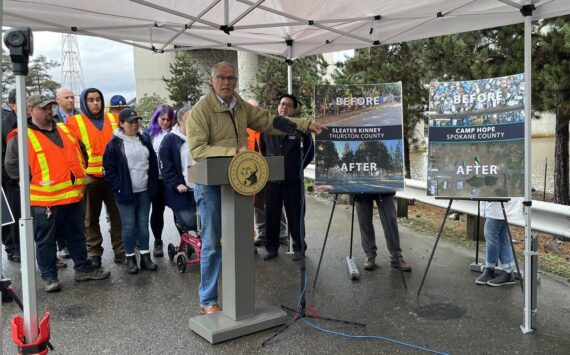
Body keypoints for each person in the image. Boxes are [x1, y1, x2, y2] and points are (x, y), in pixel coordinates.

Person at [187, 61, 325, 315]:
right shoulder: (200, 111)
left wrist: (304, 125)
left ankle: (240, 299)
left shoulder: (240, 106)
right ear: (211, 81)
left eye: (231, 78)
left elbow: (269, 121)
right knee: (211, 243)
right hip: (212, 185)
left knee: (240, 241)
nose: (227, 82)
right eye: (221, 78)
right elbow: (197, 150)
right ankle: (208, 300)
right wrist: (234, 152)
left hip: (237, 183)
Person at [4, 95, 110, 292]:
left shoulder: (64, 128)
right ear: (30, 111)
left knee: (77, 236)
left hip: (72, 195)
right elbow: (11, 166)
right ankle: (49, 276)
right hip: (46, 200)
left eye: (50, 107)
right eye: (43, 108)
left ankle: (83, 268)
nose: (48, 112)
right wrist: (31, 181)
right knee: (46, 240)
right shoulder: (21, 136)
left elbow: (82, 153)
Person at [66, 88, 125, 268]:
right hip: (90, 178)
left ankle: (120, 250)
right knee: (90, 218)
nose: (95, 103)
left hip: (112, 176)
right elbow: (71, 149)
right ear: (84, 102)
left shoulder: (114, 119)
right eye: (91, 100)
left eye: (98, 99)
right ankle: (94, 253)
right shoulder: (74, 121)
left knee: (117, 215)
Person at [103, 108, 159, 274]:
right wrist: (118, 187)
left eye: (136, 121)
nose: (135, 125)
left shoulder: (144, 140)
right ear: (121, 124)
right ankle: (130, 258)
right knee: (128, 226)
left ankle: (145, 257)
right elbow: (109, 170)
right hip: (125, 191)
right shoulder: (114, 144)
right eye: (130, 122)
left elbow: (153, 163)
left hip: (144, 190)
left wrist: (153, 184)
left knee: (143, 224)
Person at [262, 94, 314, 261]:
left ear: (294, 110)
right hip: (272, 181)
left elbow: (310, 151)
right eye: (282, 104)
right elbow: (262, 149)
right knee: (271, 215)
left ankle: (299, 247)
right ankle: (271, 248)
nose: (284, 107)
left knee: (295, 216)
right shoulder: (268, 127)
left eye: (288, 105)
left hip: (293, 182)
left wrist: (298, 167)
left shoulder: (300, 130)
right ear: (278, 106)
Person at [246, 98, 288, 248]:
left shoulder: (265, 126)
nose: (253, 112)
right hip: (250, 172)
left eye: (256, 109)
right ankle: (263, 234)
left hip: (268, 169)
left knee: (274, 202)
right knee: (257, 204)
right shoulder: (242, 128)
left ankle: (282, 234)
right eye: (250, 109)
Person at [143, 104, 176, 257]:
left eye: (168, 120)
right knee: (157, 210)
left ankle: (185, 239)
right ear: (156, 117)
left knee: (179, 209)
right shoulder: (148, 134)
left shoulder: (175, 134)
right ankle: (158, 241)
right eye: (162, 119)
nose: (165, 122)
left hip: (172, 179)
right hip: (155, 179)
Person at [158, 106, 197, 232]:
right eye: (189, 119)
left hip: (199, 187)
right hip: (182, 189)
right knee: (190, 221)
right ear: (180, 121)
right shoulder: (170, 139)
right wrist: (176, 184)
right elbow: (165, 166)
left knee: (205, 222)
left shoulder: (199, 137)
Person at [53, 87, 81, 259]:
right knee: (59, 214)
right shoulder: (53, 118)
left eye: (72, 97)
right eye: (66, 98)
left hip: (77, 169)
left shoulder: (80, 116)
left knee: (77, 213)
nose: (70, 100)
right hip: (59, 171)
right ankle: (62, 245)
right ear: (58, 99)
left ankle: (77, 246)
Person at [354, 193, 412, 272]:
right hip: (361, 187)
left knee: (390, 219)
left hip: (384, 187)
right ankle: (370, 256)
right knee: (364, 221)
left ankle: (396, 257)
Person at [476, 198, 523, 286]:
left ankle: (491, 268)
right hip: (496, 204)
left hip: (501, 203)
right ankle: (507, 271)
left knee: (491, 233)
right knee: (502, 236)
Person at [1, 89, 22, 262]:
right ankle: (13, 248)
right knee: (12, 216)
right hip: (11, 181)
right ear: (13, 105)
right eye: (25, 99)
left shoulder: (31, 122)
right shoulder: (5, 125)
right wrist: (13, 179)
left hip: (33, 180)